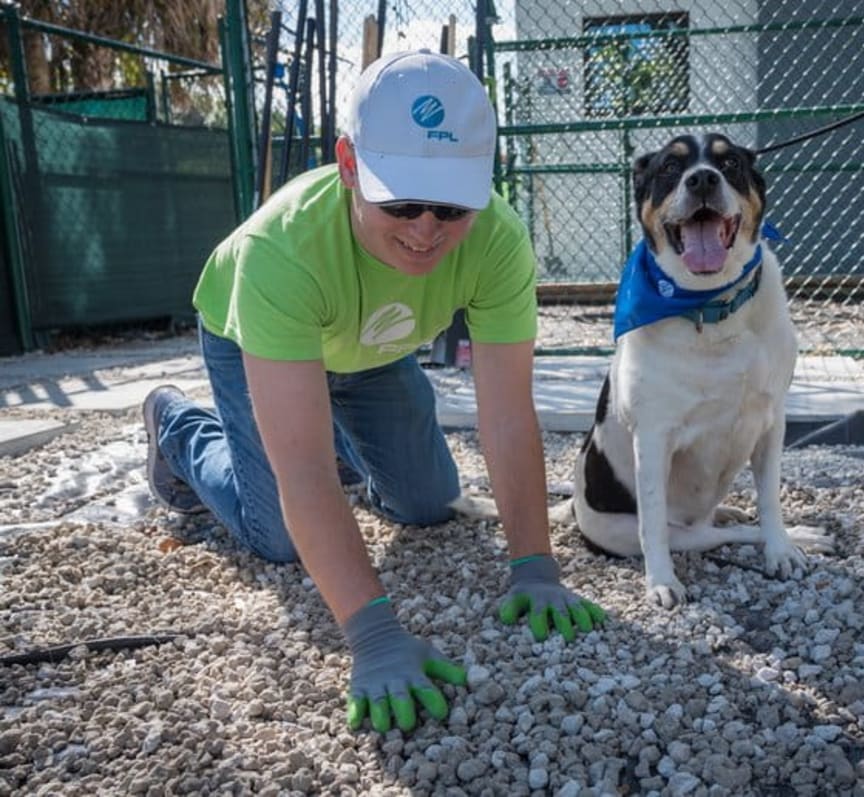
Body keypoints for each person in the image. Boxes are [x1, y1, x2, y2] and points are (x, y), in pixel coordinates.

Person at [141, 50, 607, 734]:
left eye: (451, 207)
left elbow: (507, 415)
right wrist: (374, 634)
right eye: (402, 200)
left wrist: (536, 565)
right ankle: (178, 429)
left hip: (373, 347)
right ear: (350, 163)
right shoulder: (282, 250)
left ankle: (342, 425)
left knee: (425, 503)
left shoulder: (500, 241)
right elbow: (301, 467)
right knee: (279, 536)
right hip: (253, 337)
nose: (425, 230)